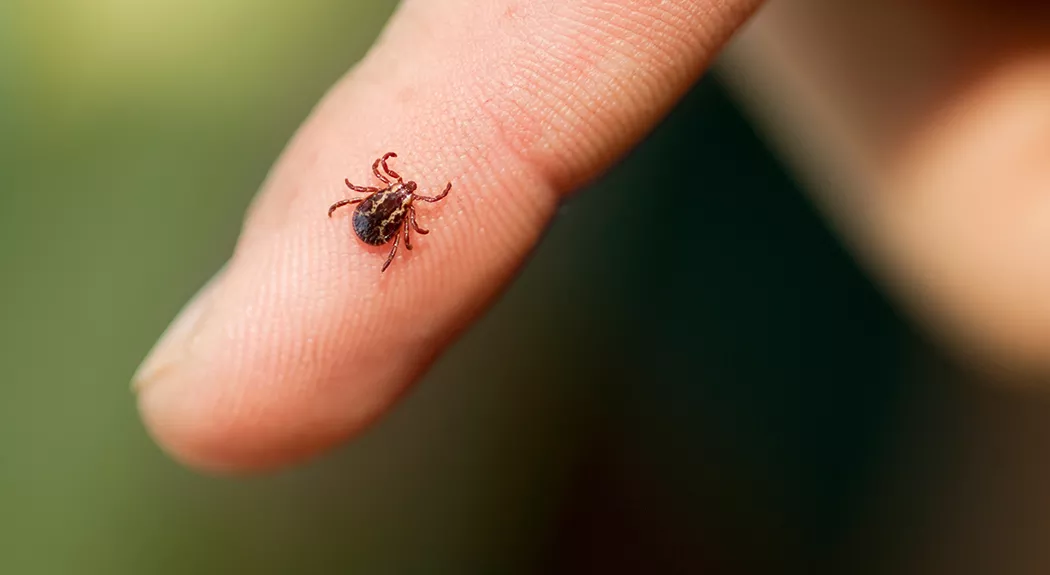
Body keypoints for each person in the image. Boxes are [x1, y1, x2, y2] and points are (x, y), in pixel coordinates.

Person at [133, 0, 1050, 473]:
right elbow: (392, 209)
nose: (392, 199)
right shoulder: (403, 208)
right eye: (392, 198)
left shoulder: (391, 206)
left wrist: (375, 218)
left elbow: (375, 208)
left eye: (391, 197)